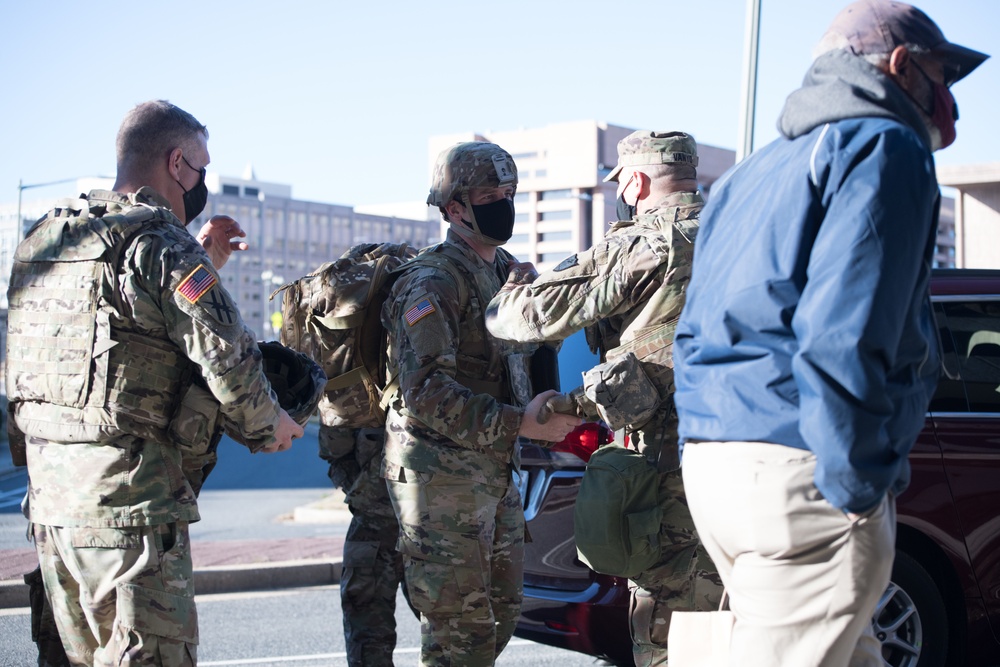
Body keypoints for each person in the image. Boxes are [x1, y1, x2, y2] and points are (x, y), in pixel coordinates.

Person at [672, 2, 989, 665]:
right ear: (901, 66)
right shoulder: (882, 145)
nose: (949, 98)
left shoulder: (750, 175)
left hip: (717, 466)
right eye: (942, 74)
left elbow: (695, 329)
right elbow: (846, 329)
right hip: (807, 467)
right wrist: (853, 486)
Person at [6, 99, 304, 666]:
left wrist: (207, 257)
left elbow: (120, 329)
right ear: (176, 163)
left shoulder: (47, 242)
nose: (203, 182)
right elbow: (226, 354)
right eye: (202, 167)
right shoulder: (163, 245)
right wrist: (272, 427)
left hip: (51, 508)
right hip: (131, 513)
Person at [486, 130, 724, 666]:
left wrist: (506, 293)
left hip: (665, 472)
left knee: (665, 629)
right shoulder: (744, 235)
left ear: (637, 181)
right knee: (729, 627)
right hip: (745, 463)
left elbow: (525, 319)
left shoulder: (644, 243)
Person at [381, 141, 580, 666]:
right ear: (453, 208)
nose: (503, 203)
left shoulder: (507, 273)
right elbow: (424, 393)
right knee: (459, 634)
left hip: (493, 471)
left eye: (509, 193)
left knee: (503, 613)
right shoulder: (432, 282)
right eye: (490, 194)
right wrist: (522, 425)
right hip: (440, 478)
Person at [319, 426, 413, 666]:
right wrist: (363, 493)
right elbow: (334, 444)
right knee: (366, 627)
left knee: (454, 629)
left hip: (438, 518)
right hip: (377, 516)